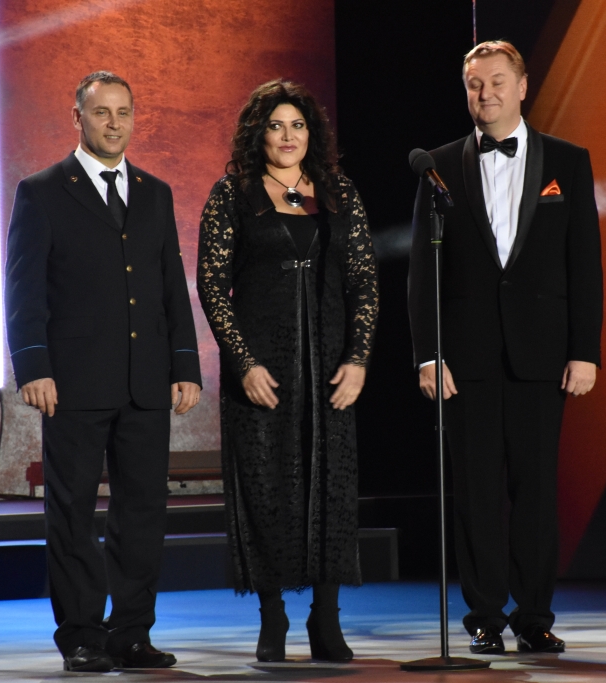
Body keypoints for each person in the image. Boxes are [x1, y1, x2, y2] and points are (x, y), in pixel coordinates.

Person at [407, 41, 603, 655]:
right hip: (465, 360)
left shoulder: (568, 162)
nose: (484, 93)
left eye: (496, 82)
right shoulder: (437, 166)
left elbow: (585, 263)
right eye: (474, 84)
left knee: (536, 491)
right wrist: (428, 353)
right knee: (476, 493)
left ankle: (535, 616)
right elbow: (422, 273)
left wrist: (585, 350)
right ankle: (485, 617)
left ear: (522, 87)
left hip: (542, 356)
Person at [5, 71, 202, 672]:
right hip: (72, 383)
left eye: (123, 112)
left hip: (146, 382)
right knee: (71, 514)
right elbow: (23, 290)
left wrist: (185, 365)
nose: (114, 124)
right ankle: (82, 636)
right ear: (78, 118)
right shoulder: (42, 191)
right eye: (101, 113)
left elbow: (171, 285)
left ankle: (131, 633)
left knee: (143, 513)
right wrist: (33, 366)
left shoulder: (155, 192)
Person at [197, 79, 378, 663]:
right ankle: (272, 616)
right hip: (261, 372)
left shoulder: (339, 191)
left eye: (297, 125)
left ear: (311, 133)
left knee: (331, 487)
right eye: (275, 126)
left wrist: (358, 359)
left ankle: (326, 618)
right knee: (266, 488)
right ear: (259, 135)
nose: (287, 136)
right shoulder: (232, 194)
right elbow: (212, 286)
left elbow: (364, 281)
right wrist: (243, 362)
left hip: (330, 369)